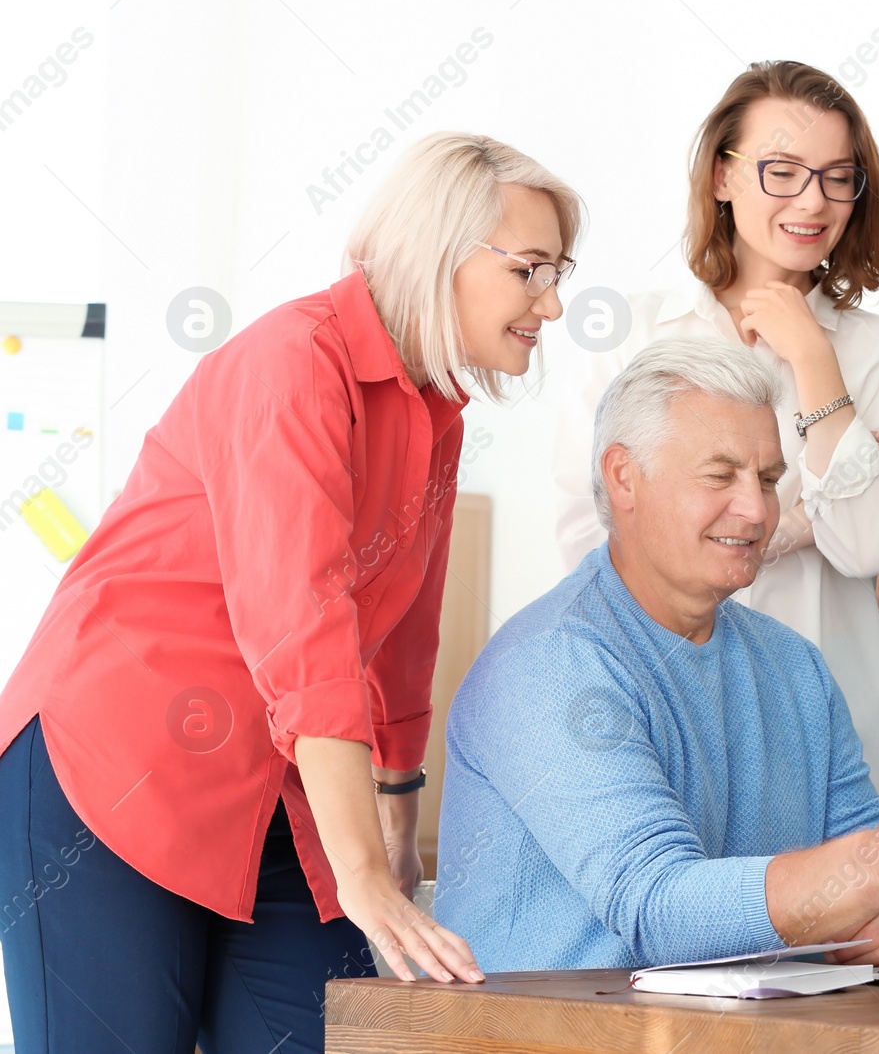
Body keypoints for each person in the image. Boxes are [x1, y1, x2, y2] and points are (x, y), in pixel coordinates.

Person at [0, 131, 581, 1052]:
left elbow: (400, 636)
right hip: (111, 767)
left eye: (559, 272)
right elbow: (303, 627)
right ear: (443, 249)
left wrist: (394, 823)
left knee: (319, 1032)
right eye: (532, 270)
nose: (552, 303)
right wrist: (360, 871)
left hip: (277, 791)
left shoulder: (435, 413)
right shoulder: (293, 364)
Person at [437, 338, 879, 972]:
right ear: (624, 476)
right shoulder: (549, 667)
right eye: (719, 475)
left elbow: (872, 855)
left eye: (766, 479)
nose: (757, 510)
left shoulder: (796, 667)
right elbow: (659, 911)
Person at [552, 60, 879, 796]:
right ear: (722, 178)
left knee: (834, 907)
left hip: (829, 720)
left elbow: (872, 543)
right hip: (659, 706)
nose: (813, 200)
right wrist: (793, 522)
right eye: (783, 170)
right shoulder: (632, 336)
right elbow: (593, 540)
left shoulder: (878, 350)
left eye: (837, 176)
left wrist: (813, 357)